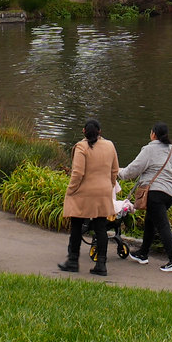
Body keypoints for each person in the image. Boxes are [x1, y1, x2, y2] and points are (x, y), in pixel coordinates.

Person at [58, 118, 120, 276]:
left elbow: (78, 173)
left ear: (84, 131)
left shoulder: (81, 147)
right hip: (103, 192)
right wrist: (110, 185)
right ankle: (101, 264)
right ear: (100, 132)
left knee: (77, 226)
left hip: (84, 192)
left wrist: (71, 190)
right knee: (101, 228)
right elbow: (115, 170)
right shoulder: (110, 146)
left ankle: (73, 261)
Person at [119, 122, 172, 272]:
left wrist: (120, 173)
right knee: (150, 221)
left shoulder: (149, 149)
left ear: (153, 134)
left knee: (162, 226)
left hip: (155, 192)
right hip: (171, 193)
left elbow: (134, 169)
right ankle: (143, 253)